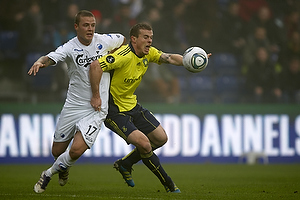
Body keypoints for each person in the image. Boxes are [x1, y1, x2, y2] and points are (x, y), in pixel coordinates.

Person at [89, 22, 211, 193]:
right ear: (133, 39)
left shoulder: (149, 53)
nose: (150, 41)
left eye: (151, 37)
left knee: (161, 139)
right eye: (145, 37)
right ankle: (169, 185)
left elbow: (169, 58)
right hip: (114, 111)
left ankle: (125, 164)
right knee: (145, 144)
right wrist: (95, 95)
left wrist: (191, 60)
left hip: (132, 105)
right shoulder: (123, 56)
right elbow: (95, 66)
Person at [28, 10, 125, 193]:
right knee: (57, 152)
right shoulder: (69, 47)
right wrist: (40, 62)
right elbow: (50, 57)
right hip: (73, 105)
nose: (90, 29)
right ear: (76, 27)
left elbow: (123, 40)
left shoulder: (104, 40)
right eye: (86, 25)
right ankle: (63, 168)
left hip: (96, 107)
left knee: (75, 150)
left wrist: (115, 56)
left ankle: (48, 174)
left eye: (93, 25)